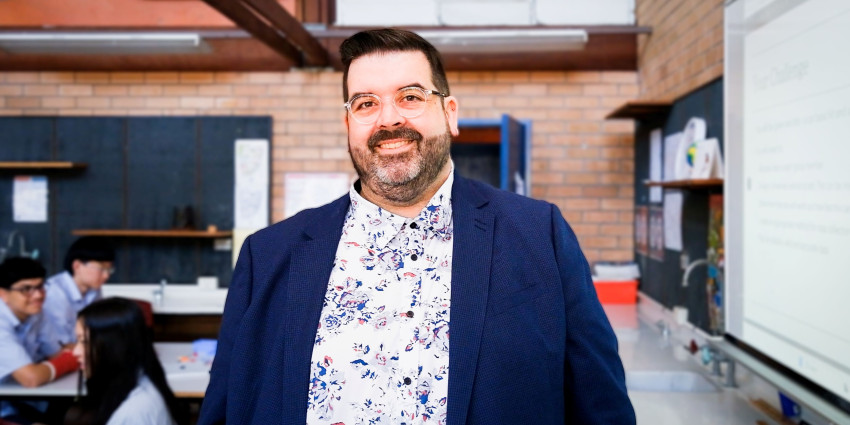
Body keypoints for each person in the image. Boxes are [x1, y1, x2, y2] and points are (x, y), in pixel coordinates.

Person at [199, 28, 635, 425]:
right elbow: (225, 408)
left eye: (410, 96)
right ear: (348, 123)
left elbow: (602, 408)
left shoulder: (540, 235)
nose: (388, 119)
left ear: (450, 113)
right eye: (366, 103)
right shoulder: (270, 254)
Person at [72, 297, 186, 425]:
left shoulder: (133, 413)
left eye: (85, 341)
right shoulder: (135, 380)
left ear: (114, 346)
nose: (75, 352)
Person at [0, 257, 79, 425]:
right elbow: (31, 378)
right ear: (3, 294)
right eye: (26, 289)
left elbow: (56, 353)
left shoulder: (36, 312)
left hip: (21, 400)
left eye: (40, 287)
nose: (37, 295)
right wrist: (74, 358)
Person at [43, 236, 116, 344]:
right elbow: (61, 344)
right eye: (101, 269)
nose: (106, 276)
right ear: (77, 266)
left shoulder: (95, 290)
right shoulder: (55, 294)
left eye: (109, 269)